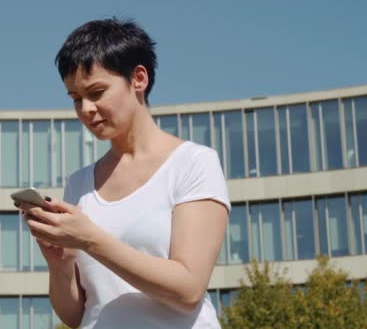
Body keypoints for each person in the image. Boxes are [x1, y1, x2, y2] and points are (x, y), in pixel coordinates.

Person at [15, 18, 230, 328]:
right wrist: (60, 266)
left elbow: (188, 289)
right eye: (76, 99)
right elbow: (77, 315)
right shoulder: (80, 183)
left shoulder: (193, 163)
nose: (85, 109)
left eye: (96, 92)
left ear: (138, 78)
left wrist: (90, 240)